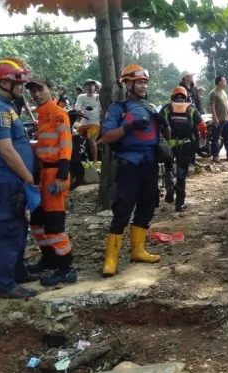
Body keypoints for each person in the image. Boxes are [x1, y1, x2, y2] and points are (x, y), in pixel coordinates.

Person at [100, 64, 170, 276]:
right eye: (138, 82)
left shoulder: (150, 107)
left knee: (147, 207)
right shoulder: (118, 109)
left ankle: (138, 250)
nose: (142, 86)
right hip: (128, 165)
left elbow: (166, 136)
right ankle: (111, 259)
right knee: (122, 210)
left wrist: (163, 122)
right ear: (127, 84)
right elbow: (106, 137)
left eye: (145, 82)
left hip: (149, 164)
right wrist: (128, 127)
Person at [0, 57, 38, 299]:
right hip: (8, 181)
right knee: (8, 232)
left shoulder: (8, 107)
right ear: (5, 82)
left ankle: (18, 272)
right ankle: (6, 285)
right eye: (19, 84)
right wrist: (27, 177)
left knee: (19, 228)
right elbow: (6, 150)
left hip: (15, 181)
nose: (22, 88)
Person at [25, 77, 77, 287]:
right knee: (37, 221)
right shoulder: (42, 115)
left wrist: (62, 175)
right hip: (44, 174)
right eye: (33, 91)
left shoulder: (58, 113)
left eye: (40, 89)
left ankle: (67, 268)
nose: (37, 94)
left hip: (56, 174)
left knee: (54, 223)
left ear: (50, 89)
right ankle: (49, 259)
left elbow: (66, 143)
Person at [161, 86, 207, 211]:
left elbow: (158, 124)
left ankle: (169, 187)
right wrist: (203, 137)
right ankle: (179, 203)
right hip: (185, 144)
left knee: (168, 168)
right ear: (185, 96)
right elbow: (202, 126)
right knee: (182, 172)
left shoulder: (167, 108)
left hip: (168, 145)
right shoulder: (191, 108)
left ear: (173, 96)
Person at [209, 75, 228, 162]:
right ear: (219, 82)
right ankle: (215, 155)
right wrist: (215, 118)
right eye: (224, 81)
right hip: (218, 120)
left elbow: (227, 106)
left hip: (226, 119)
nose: (225, 83)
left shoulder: (224, 92)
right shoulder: (213, 93)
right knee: (216, 138)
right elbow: (212, 107)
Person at [75, 79, 102, 163]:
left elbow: (102, 111)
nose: (91, 87)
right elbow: (77, 107)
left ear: (95, 87)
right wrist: (79, 110)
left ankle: (95, 162)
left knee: (91, 140)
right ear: (85, 87)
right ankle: (75, 160)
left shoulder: (99, 97)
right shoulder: (81, 96)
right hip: (84, 122)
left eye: (92, 85)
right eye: (88, 85)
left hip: (95, 123)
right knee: (75, 138)